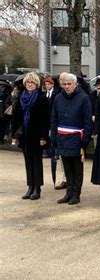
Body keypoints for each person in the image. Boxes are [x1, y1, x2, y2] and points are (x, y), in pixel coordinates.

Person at [51, 73, 93, 205]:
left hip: (77, 138)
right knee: (66, 167)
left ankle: (76, 193)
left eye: (69, 84)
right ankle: (68, 192)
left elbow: (88, 121)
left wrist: (85, 139)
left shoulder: (83, 98)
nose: (67, 87)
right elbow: (54, 118)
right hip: (62, 137)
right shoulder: (58, 98)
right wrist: (54, 137)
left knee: (77, 168)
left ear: (75, 84)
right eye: (65, 84)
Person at [11, 72, 50, 200]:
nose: (30, 85)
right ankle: (30, 186)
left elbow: (45, 120)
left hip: (37, 135)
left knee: (36, 162)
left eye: (33, 82)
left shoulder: (42, 98)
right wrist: (14, 135)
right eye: (28, 82)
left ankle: (37, 188)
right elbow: (16, 118)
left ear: (37, 84)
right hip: (24, 135)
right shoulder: (21, 97)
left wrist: (44, 137)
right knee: (28, 162)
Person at [0, 79, 12, 144]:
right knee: (3, 126)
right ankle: (1, 139)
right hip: (4, 110)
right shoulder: (7, 88)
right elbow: (9, 100)